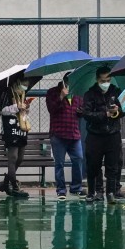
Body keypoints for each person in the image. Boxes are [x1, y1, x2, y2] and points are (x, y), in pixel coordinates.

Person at [81, 66, 124, 205]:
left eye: (108, 80)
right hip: (95, 135)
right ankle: (93, 192)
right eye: (103, 80)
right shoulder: (90, 94)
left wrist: (117, 111)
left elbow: (124, 111)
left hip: (113, 135)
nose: (106, 83)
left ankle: (111, 192)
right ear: (97, 79)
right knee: (93, 165)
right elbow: (86, 114)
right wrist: (104, 114)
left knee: (113, 165)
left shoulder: (117, 92)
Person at [45, 71, 86, 199]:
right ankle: (61, 190)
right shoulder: (52, 92)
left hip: (74, 134)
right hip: (58, 134)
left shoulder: (78, 94)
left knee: (78, 159)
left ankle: (76, 187)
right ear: (65, 81)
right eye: (70, 82)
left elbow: (80, 112)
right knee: (59, 163)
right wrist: (61, 97)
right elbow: (52, 109)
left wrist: (81, 112)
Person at [0, 73, 31, 199]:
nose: (24, 88)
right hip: (10, 129)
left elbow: (24, 110)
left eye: (26, 86)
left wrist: (26, 108)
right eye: (23, 85)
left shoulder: (23, 95)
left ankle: (6, 183)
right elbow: (3, 110)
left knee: (20, 157)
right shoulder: (7, 93)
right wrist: (17, 107)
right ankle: (14, 185)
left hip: (21, 127)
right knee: (13, 157)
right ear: (17, 82)